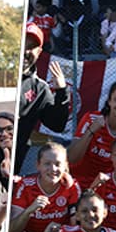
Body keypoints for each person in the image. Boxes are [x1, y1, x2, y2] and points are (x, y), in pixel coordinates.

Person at [67, 79, 116, 190]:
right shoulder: (91, 119)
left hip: (107, 188)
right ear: (109, 101)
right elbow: (72, 158)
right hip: (77, 184)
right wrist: (91, 131)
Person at [16, 26, 72, 175]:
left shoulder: (40, 89)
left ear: (39, 52)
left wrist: (61, 91)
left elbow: (57, 124)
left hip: (14, 162)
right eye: (22, 44)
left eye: (31, 47)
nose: (25, 51)